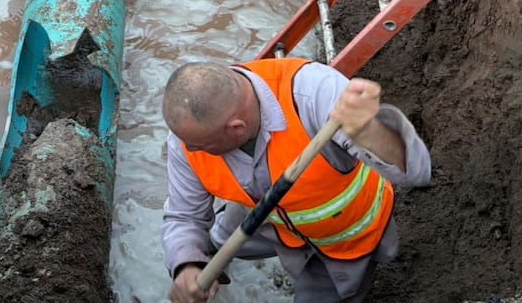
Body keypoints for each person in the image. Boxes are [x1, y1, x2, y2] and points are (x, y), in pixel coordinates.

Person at [161, 58, 431, 303]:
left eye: (201, 146)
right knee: (208, 243)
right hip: (266, 220)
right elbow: (185, 216)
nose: (191, 151)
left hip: (342, 236)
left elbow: (417, 172)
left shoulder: (316, 93)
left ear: (236, 129)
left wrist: (370, 132)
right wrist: (187, 263)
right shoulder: (189, 137)